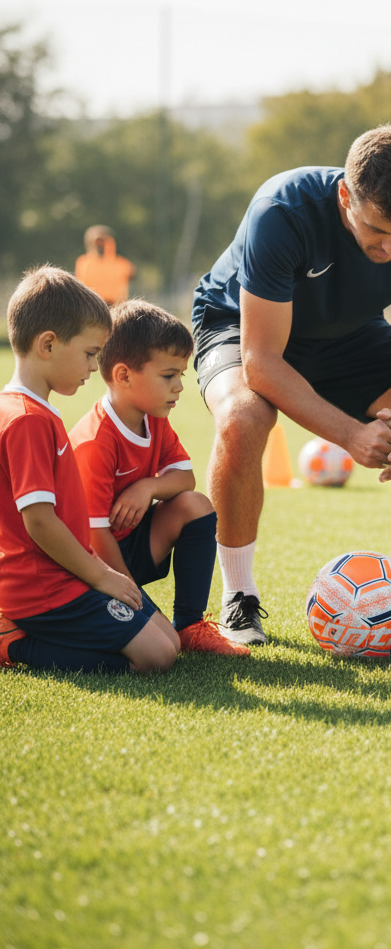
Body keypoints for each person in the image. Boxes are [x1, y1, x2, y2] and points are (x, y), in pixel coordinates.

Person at [192, 124, 391, 644]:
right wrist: (351, 436)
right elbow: (262, 362)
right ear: (344, 196)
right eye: (379, 230)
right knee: (245, 417)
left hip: (346, 335)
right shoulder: (281, 212)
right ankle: (239, 598)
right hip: (239, 326)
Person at [0, 267, 177, 674]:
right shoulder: (27, 419)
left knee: (169, 641)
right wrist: (102, 576)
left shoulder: (35, 410)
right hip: (45, 589)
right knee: (158, 656)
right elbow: (40, 523)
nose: (94, 366)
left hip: (63, 576)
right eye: (89, 353)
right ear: (48, 344)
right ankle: (14, 644)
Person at [69, 300, 250, 657]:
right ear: (123, 376)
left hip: (128, 545)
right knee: (155, 644)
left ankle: (190, 626)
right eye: (169, 375)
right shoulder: (95, 441)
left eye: (181, 374)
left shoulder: (154, 421)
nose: (179, 386)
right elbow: (93, 533)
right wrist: (133, 597)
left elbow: (186, 478)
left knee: (194, 506)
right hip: (85, 563)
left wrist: (147, 486)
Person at [74, 225, 136, 306]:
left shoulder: (122, 264)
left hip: (115, 306)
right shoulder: (83, 262)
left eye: (102, 242)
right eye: (97, 242)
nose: (100, 245)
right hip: (92, 305)